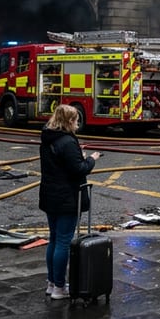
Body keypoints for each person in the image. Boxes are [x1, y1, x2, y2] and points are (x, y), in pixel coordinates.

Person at [39, 104, 100, 300]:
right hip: (67, 197)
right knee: (63, 241)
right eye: (75, 120)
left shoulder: (48, 137)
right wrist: (91, 159)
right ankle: (59, 287)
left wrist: (76, 155)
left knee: (54, 238)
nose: (77, 123)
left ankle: (51, 282)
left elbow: (62, 163)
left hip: (50, 194)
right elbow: (79, 169)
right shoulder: (67, 142)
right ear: (68, 121)